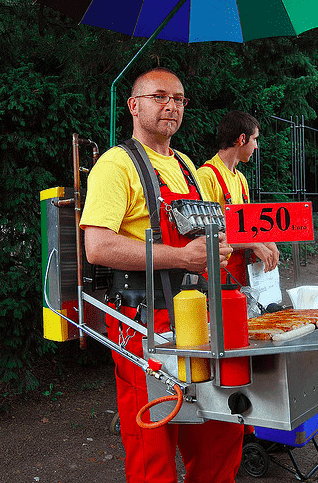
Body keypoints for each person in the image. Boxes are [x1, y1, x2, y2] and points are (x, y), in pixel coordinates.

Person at [79, 67, 244, 483]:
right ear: (133, 105)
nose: (171, 105)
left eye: (179, 98)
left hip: (200, 318)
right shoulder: (116, 164)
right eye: (159, 96)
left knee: (220, 432)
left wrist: (221, 248)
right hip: (144, 324)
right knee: (152, 448)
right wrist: (182, 258)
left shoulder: (188, 166)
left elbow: (210, 232)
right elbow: (97, 246)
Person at [197, 110, 279, 285]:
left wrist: (267, 239)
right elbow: (207, 235)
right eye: (255, 139)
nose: (256, 146)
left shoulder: (241, 179)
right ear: (242, 139)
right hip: (216, 275)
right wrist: (254, 244)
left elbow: (247, 225)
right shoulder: (206, 176)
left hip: (240, 273)